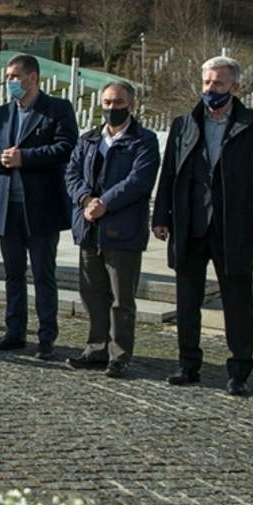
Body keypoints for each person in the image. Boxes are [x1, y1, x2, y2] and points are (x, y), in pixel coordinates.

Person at [152, 55, 253, 397]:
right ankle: (188, 364)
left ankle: (239, 370)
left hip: (233, 226)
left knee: (237, 303)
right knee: (187, 301)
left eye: (218, 83)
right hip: (190, 224)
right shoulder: (184, 123)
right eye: (207, 82)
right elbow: (169, 173)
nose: (210, 89)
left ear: (235, 87)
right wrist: (161, 216)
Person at [0, 54, 78, 359]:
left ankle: (46, 337)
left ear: (32, 78)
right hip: (7, 206)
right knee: (13, 274)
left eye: (14, 76)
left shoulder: (57, 109)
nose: (10, 82)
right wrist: (1, 159)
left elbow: (66, 148)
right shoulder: (2, 113)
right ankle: (14, 332)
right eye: (7, 77)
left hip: (41, 206)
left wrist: (26, 158)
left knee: (43, 274)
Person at [62, 81, 160, 378]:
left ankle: (119, 356)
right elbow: (72, 173)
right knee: (92, 293)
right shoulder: (89, 139)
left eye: (117, 102)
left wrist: (104, 203)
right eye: (106, 102)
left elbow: (139, 181)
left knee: (121, 299)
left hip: (123, 229)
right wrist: (86, 200)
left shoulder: (144, 140)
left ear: (131, 105)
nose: (111, 108)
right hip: (89, 227)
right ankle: (96, 349)